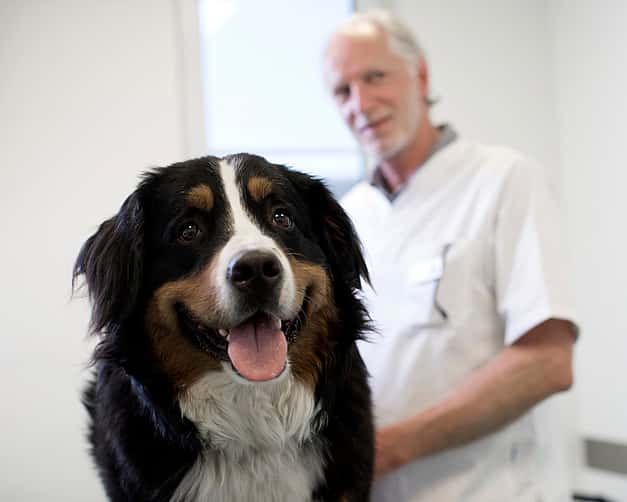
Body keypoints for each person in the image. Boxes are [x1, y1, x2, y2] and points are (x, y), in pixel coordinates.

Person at [322, 9, 578, 502]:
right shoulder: (345, 218)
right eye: (342, 91)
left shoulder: (504, 180)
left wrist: (386, 449)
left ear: (419, 75)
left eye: (375, 77)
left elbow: (547, 360)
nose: (361, 103)